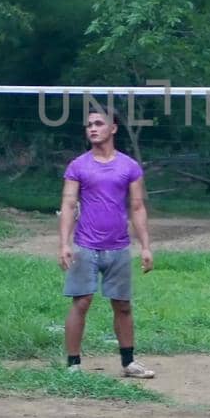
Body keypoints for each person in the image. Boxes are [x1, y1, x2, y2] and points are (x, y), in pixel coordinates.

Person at [58, 108, 155, 378]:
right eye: (89, 124)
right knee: (82, 302)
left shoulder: (129, 166)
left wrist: (145, 246)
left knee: (123, 305)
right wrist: (64, 244)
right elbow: (68, 204)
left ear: (113, 128)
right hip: (85, 245)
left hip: (119, 247)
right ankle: (73, 364)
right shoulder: (78, 165)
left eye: (99, 123)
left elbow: (137, 207)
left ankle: (128, 362)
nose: (92, 128)